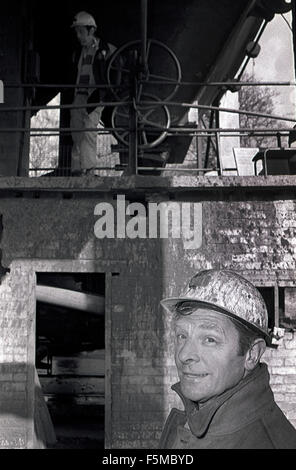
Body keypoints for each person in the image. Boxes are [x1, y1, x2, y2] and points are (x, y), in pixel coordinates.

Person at [159, 269, 296, 449]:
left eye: (210, 340)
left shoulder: (266, 442)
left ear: (251, 354)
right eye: (182, 336)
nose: (184, 355)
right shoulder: (193, 420)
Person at [70, 11, 117, 176]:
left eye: (81, 32)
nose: (78, 36)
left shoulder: (105, 49)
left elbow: (118, 64)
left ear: (91, 30)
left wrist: (108, 90)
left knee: (89, 129)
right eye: (77, 32)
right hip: (79, 95)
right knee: (76, 130)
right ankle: (76, 170)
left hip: (95, 95)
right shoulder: (79, 53)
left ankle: (89, 170)